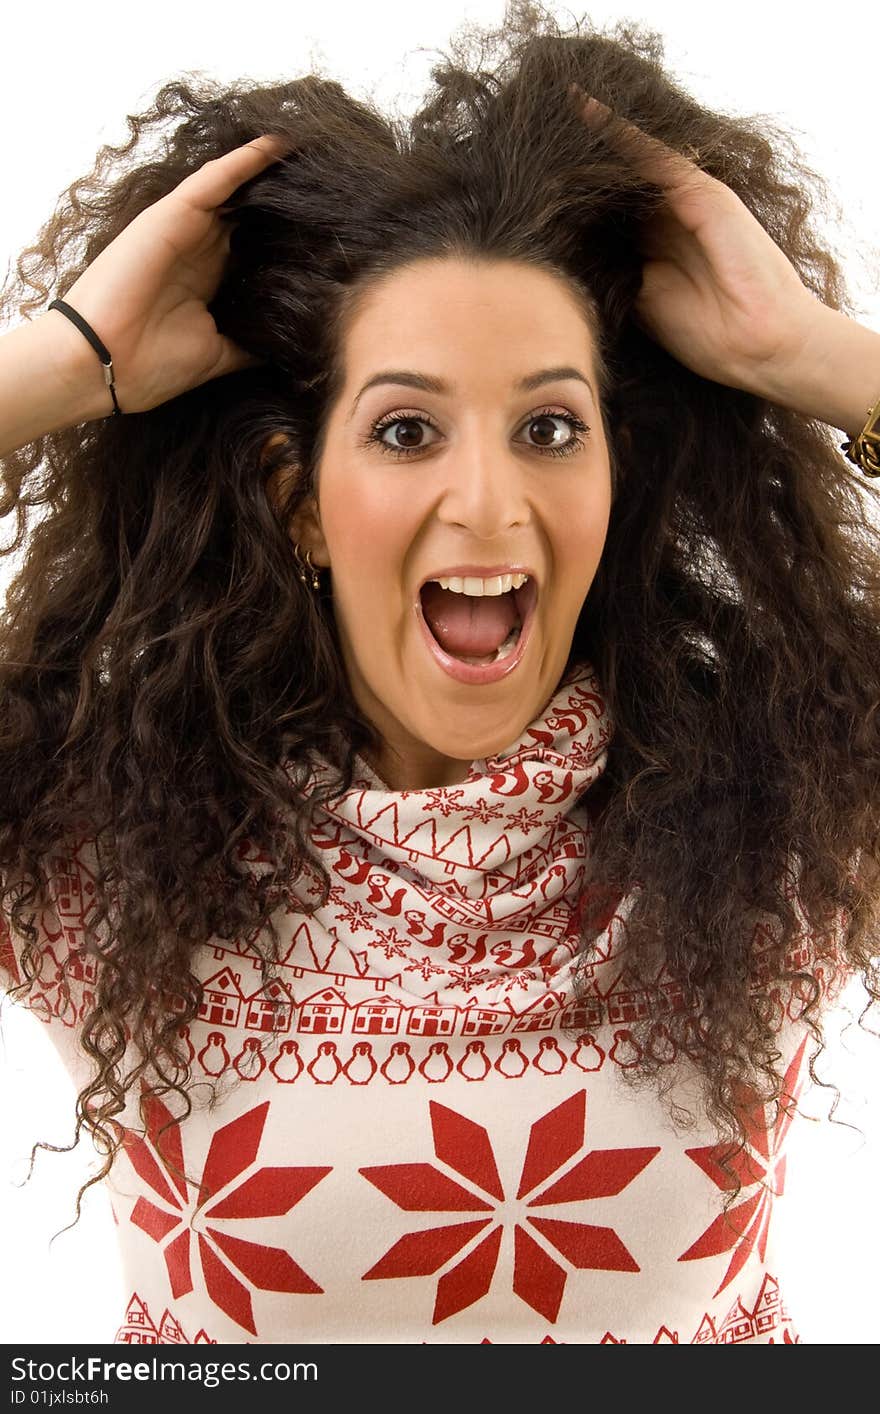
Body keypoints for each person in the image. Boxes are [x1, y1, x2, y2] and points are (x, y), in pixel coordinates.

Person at [1, 2, 879, 1345]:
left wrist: (811, 356)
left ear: (615, 479)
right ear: (301, 502)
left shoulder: (780, 820)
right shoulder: (101, 853)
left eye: (548, 426)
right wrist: (65, 359)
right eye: (407, 428)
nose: (487, 499)